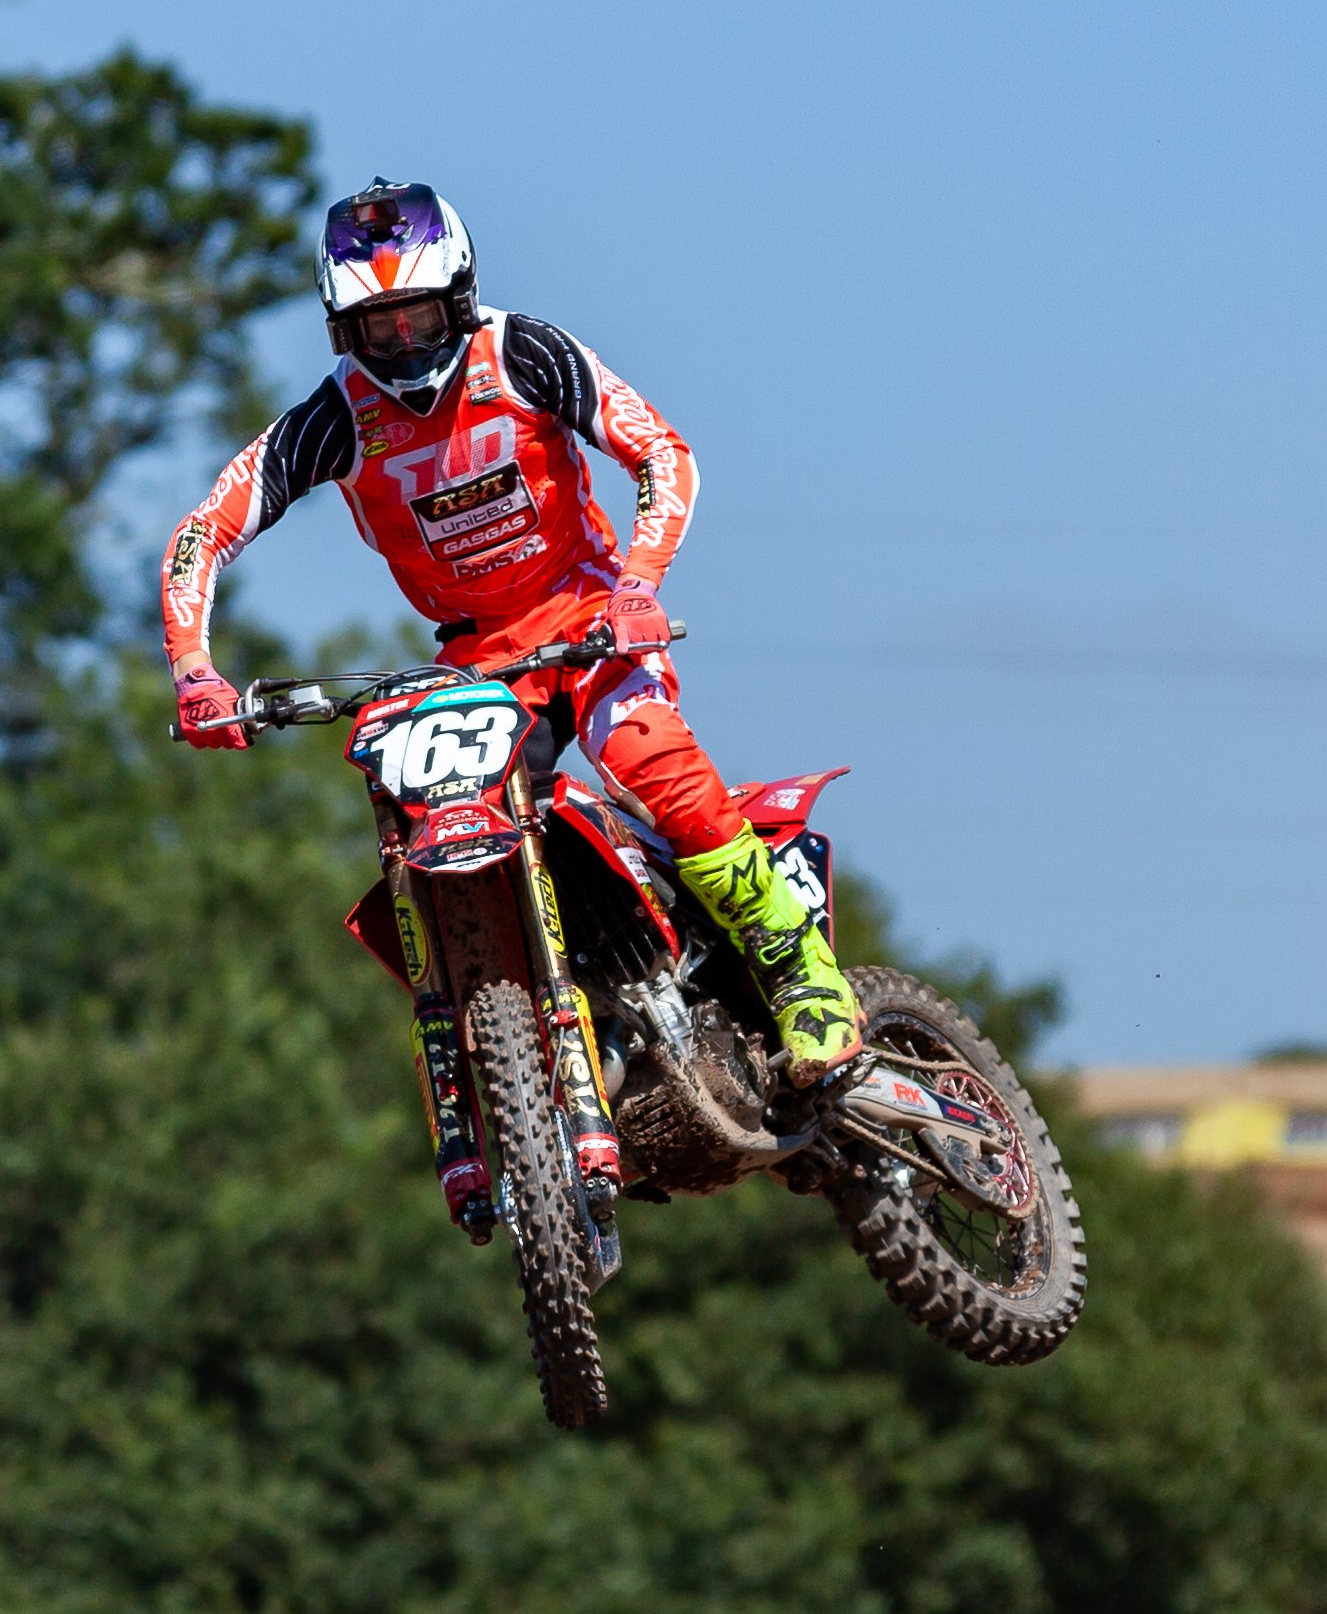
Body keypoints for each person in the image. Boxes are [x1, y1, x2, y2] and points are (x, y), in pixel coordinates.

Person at [161, 181, 862, 1085]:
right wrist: (194, 671)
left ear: (457, 295)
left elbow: (661, 452)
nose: (403, 342)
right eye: (379, 327)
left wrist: (640, 585)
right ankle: (571, 1012)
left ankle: (802, 976)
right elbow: (200, 531)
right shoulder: (334, 417)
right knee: (443, 820)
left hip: (592, 615)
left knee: (656, 767)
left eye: (417, 315)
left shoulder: (524, 351)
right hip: (477, 656)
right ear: (344, 331)